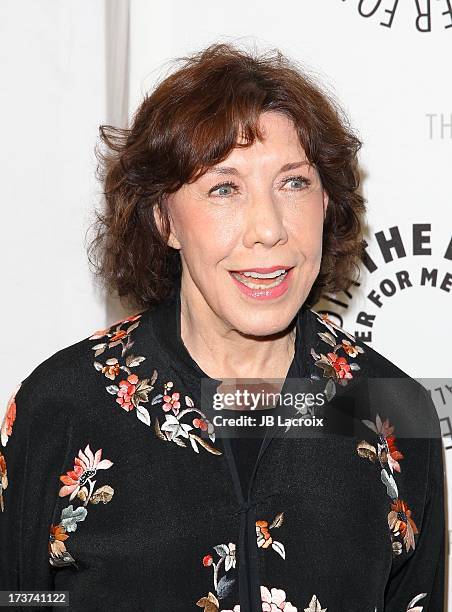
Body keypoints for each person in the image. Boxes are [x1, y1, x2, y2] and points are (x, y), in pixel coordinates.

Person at [0, 42, 445, 612]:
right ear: (164, 218)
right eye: (224, 188)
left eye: (293, 183)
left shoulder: (391, 411)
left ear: (327, 202)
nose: (268, 230)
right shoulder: (62, 407)